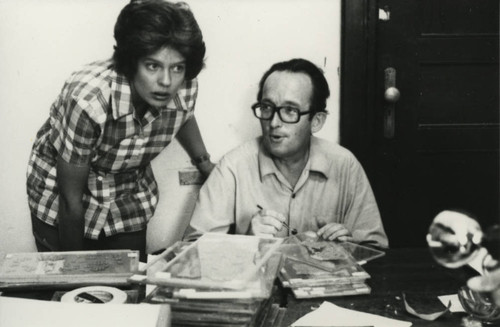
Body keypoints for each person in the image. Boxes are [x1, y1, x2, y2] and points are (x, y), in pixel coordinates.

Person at [26, 0, 214, 261]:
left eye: (177, 67)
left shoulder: (184, 87)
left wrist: (205, 164)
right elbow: (71, 202)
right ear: (131, 61)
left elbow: (183, 115)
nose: (166, 81)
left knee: (127, 284)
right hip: (63, 196)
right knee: (66, 288)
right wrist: (75, 274)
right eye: (153, 66)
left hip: (127, 193)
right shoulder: (89, 100)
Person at [185, 58, 388, 249]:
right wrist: (246, 243)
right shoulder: (233, 167)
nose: (273, 122)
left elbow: (376, 249)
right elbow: (192, 250)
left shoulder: (344, 164)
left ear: (316, 121)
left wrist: (349, 247)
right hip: (261, 285)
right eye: (267, 107)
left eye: (290, 110)